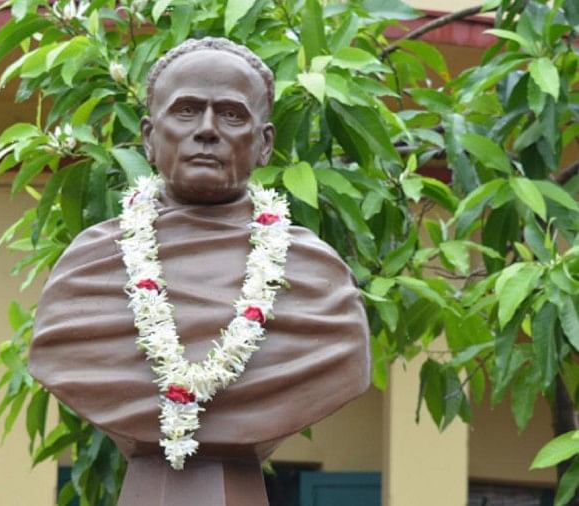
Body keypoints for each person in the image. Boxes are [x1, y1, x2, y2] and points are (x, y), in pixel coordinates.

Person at [29, 37, 370, 505]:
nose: (207, 129)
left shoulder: (316, 278)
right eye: (186, 111)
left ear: (265, 143)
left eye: (231, 115)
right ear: (149, 136)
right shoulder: (86, 268)